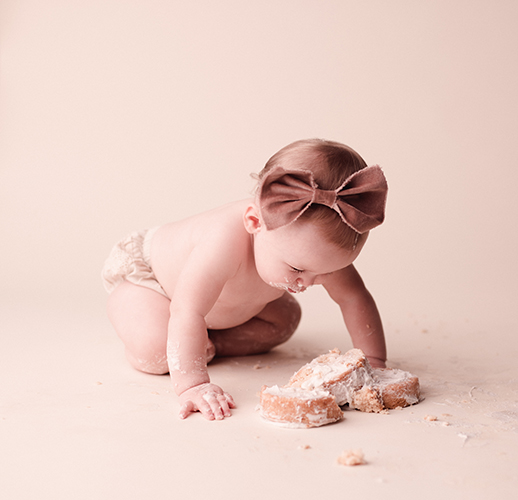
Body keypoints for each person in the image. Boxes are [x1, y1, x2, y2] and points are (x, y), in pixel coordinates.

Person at [102, 138, 388, 421]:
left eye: (325, 273)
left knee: (285, 319)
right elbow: (186, 308)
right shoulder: (223, 240)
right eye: (297, 270)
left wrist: (375, 363)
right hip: (154, 285)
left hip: (215, 308)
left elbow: (353, 297)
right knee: (155, 349)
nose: (306, 283)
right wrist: (194, 384)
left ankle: (207, 342)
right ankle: (182, 339)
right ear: (254, 223)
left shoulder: (313, 252)